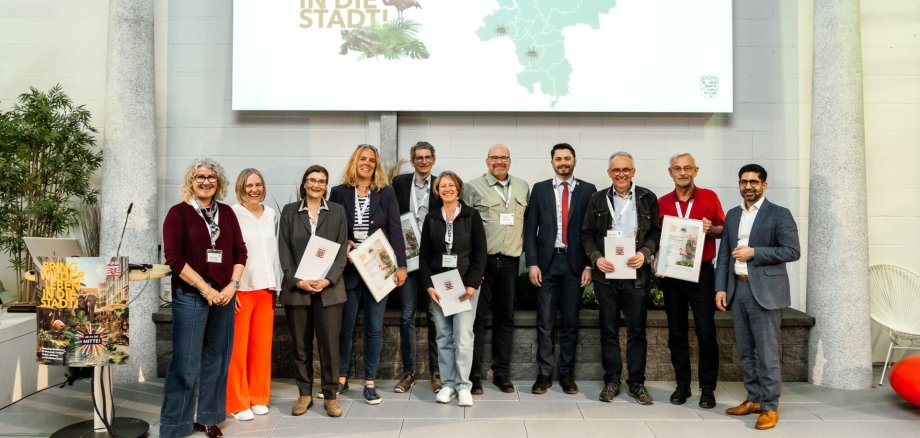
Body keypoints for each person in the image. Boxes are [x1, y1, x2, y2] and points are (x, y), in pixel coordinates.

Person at [160, 158, 247, 438]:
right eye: (200, 177)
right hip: (192, 296)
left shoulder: (228, 214)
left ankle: (209, 418)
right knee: (185, 363)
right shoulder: (178, 213)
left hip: (224, 295)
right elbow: (174, 258)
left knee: (217, 360)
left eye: (211, 177)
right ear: (191, 181)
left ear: (218, 182)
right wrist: (205, 289)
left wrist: (232, 287)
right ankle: (176, 425)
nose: (206, 181)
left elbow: (240, 252)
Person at [715, 164, 800, 430]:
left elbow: (791, 251)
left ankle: (770, 406)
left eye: (754, 182)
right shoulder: (731, 215)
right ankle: (753, 398)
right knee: (745, 350)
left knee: (767, 352)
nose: (748, 186)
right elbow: (725, 255)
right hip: (738, 289)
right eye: (744, 182)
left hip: (765, 291)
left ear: (764, 185)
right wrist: (721, 288)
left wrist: (755, 253)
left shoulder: (779, 214)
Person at [330, 144, 408, 405]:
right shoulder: (339, 193)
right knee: (346, 327)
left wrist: (402, 265)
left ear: (376, 166)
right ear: (355, 162)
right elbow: (332, 230)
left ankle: (370, 381)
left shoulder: (385, 193)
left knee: (374, 328)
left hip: (379, 269)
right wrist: (345, 244)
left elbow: (396, 229)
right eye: (362, 159)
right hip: (350, 270)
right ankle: (341, 378)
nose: (367, 164)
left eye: (372, 161)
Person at [581, 152, 660, 406]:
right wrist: (595, 258)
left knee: (637, 332)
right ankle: (612, 381)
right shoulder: (597, 199)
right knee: (609, 330)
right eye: (616, 170)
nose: (621, 174)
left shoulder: (647, 198)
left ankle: (637, 383)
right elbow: (587, 234)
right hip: (606, 276)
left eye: (626, 170)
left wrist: (645, 253)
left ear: (633, 172)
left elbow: (656, 232)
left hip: (636, 276)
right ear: (609, 173)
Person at [524, 143, 596, 395]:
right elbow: (530, 229)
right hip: (546, 263)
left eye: (567, 158)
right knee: (544, 322)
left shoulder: (588, 190)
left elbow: (592, 232)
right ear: (552, 161)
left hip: (575, 265)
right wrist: (532, 262)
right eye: (558, 158)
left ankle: (566, 374)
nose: (563, 162)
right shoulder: (540, 189)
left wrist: (589, 264)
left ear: (574, 160)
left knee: (570, 323)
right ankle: (544, 375)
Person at [656, 153, 725, 409]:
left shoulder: (709, 197)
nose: (682, 172)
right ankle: (682, 385)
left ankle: (707, 389)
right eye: (677, 168)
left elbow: (723, 230)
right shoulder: (662, 202)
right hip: (673, 276)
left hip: (702, 274)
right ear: (670, 172)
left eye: (687, 168)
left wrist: (711, 229)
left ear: (696, 170)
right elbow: (656, 237)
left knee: (706, 332)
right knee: (676, 332)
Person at [279, 165, 349, 417]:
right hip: (298, 290)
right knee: (301, 346)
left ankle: (331, 395)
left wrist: (328, 280)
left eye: (321, 181)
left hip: (329, 291)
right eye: (312, 180)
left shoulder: (338, 212)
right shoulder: (289, 212)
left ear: (326, 185)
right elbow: (284, 251)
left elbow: (342, 251)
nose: (316, 185)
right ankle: (304, 394)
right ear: (305, 183)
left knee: (329, 346)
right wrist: (297, 281)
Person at [462, 144, 530, 394]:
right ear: (486, 161)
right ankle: (474, 374)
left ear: (510, 161)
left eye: (503, 158)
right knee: (476, 319)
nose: (499, 161)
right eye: (494, 158)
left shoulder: (523, 187)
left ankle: (501, 373)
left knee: (505, 317)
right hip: (483, 263)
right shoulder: (471, 187)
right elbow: (465, 226)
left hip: (510, 262)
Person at [419, 171, 487, 407]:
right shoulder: (432, 218)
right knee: (444, 336)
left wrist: (472, 285)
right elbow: (424, 256)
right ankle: (448, 384)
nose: (447, 189)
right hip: (440, 286)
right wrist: (429, 286)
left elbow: (480, 254)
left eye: (451, 185)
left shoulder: (471, 215)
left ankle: (464, 386)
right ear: (437, 191)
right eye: (442, 186)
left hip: (465, 285)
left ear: (458, 188)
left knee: (464, 336)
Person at [227, 169, 281, 421]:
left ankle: (259, 396)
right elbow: (227, 252)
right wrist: (231, 286)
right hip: (242, 288)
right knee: (238, 350)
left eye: (258, 184)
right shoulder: (231, 213)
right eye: (249, 185)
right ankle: (237, 402)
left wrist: (276, 284)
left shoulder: (271, 214)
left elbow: (273, 253)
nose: (254, 189)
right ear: (241, 187)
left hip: (266, 288)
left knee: (261, 348)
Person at [391, 141, 442, 393]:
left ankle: (436, 371)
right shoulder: (399, 184)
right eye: (418, 157)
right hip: (407, 261)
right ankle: (409, 372)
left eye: (427, 157)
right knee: (407, 316)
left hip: (432, 263)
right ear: (412, 160)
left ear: (433, 159)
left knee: (435, 317)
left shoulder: (441, 185)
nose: (423, 161)